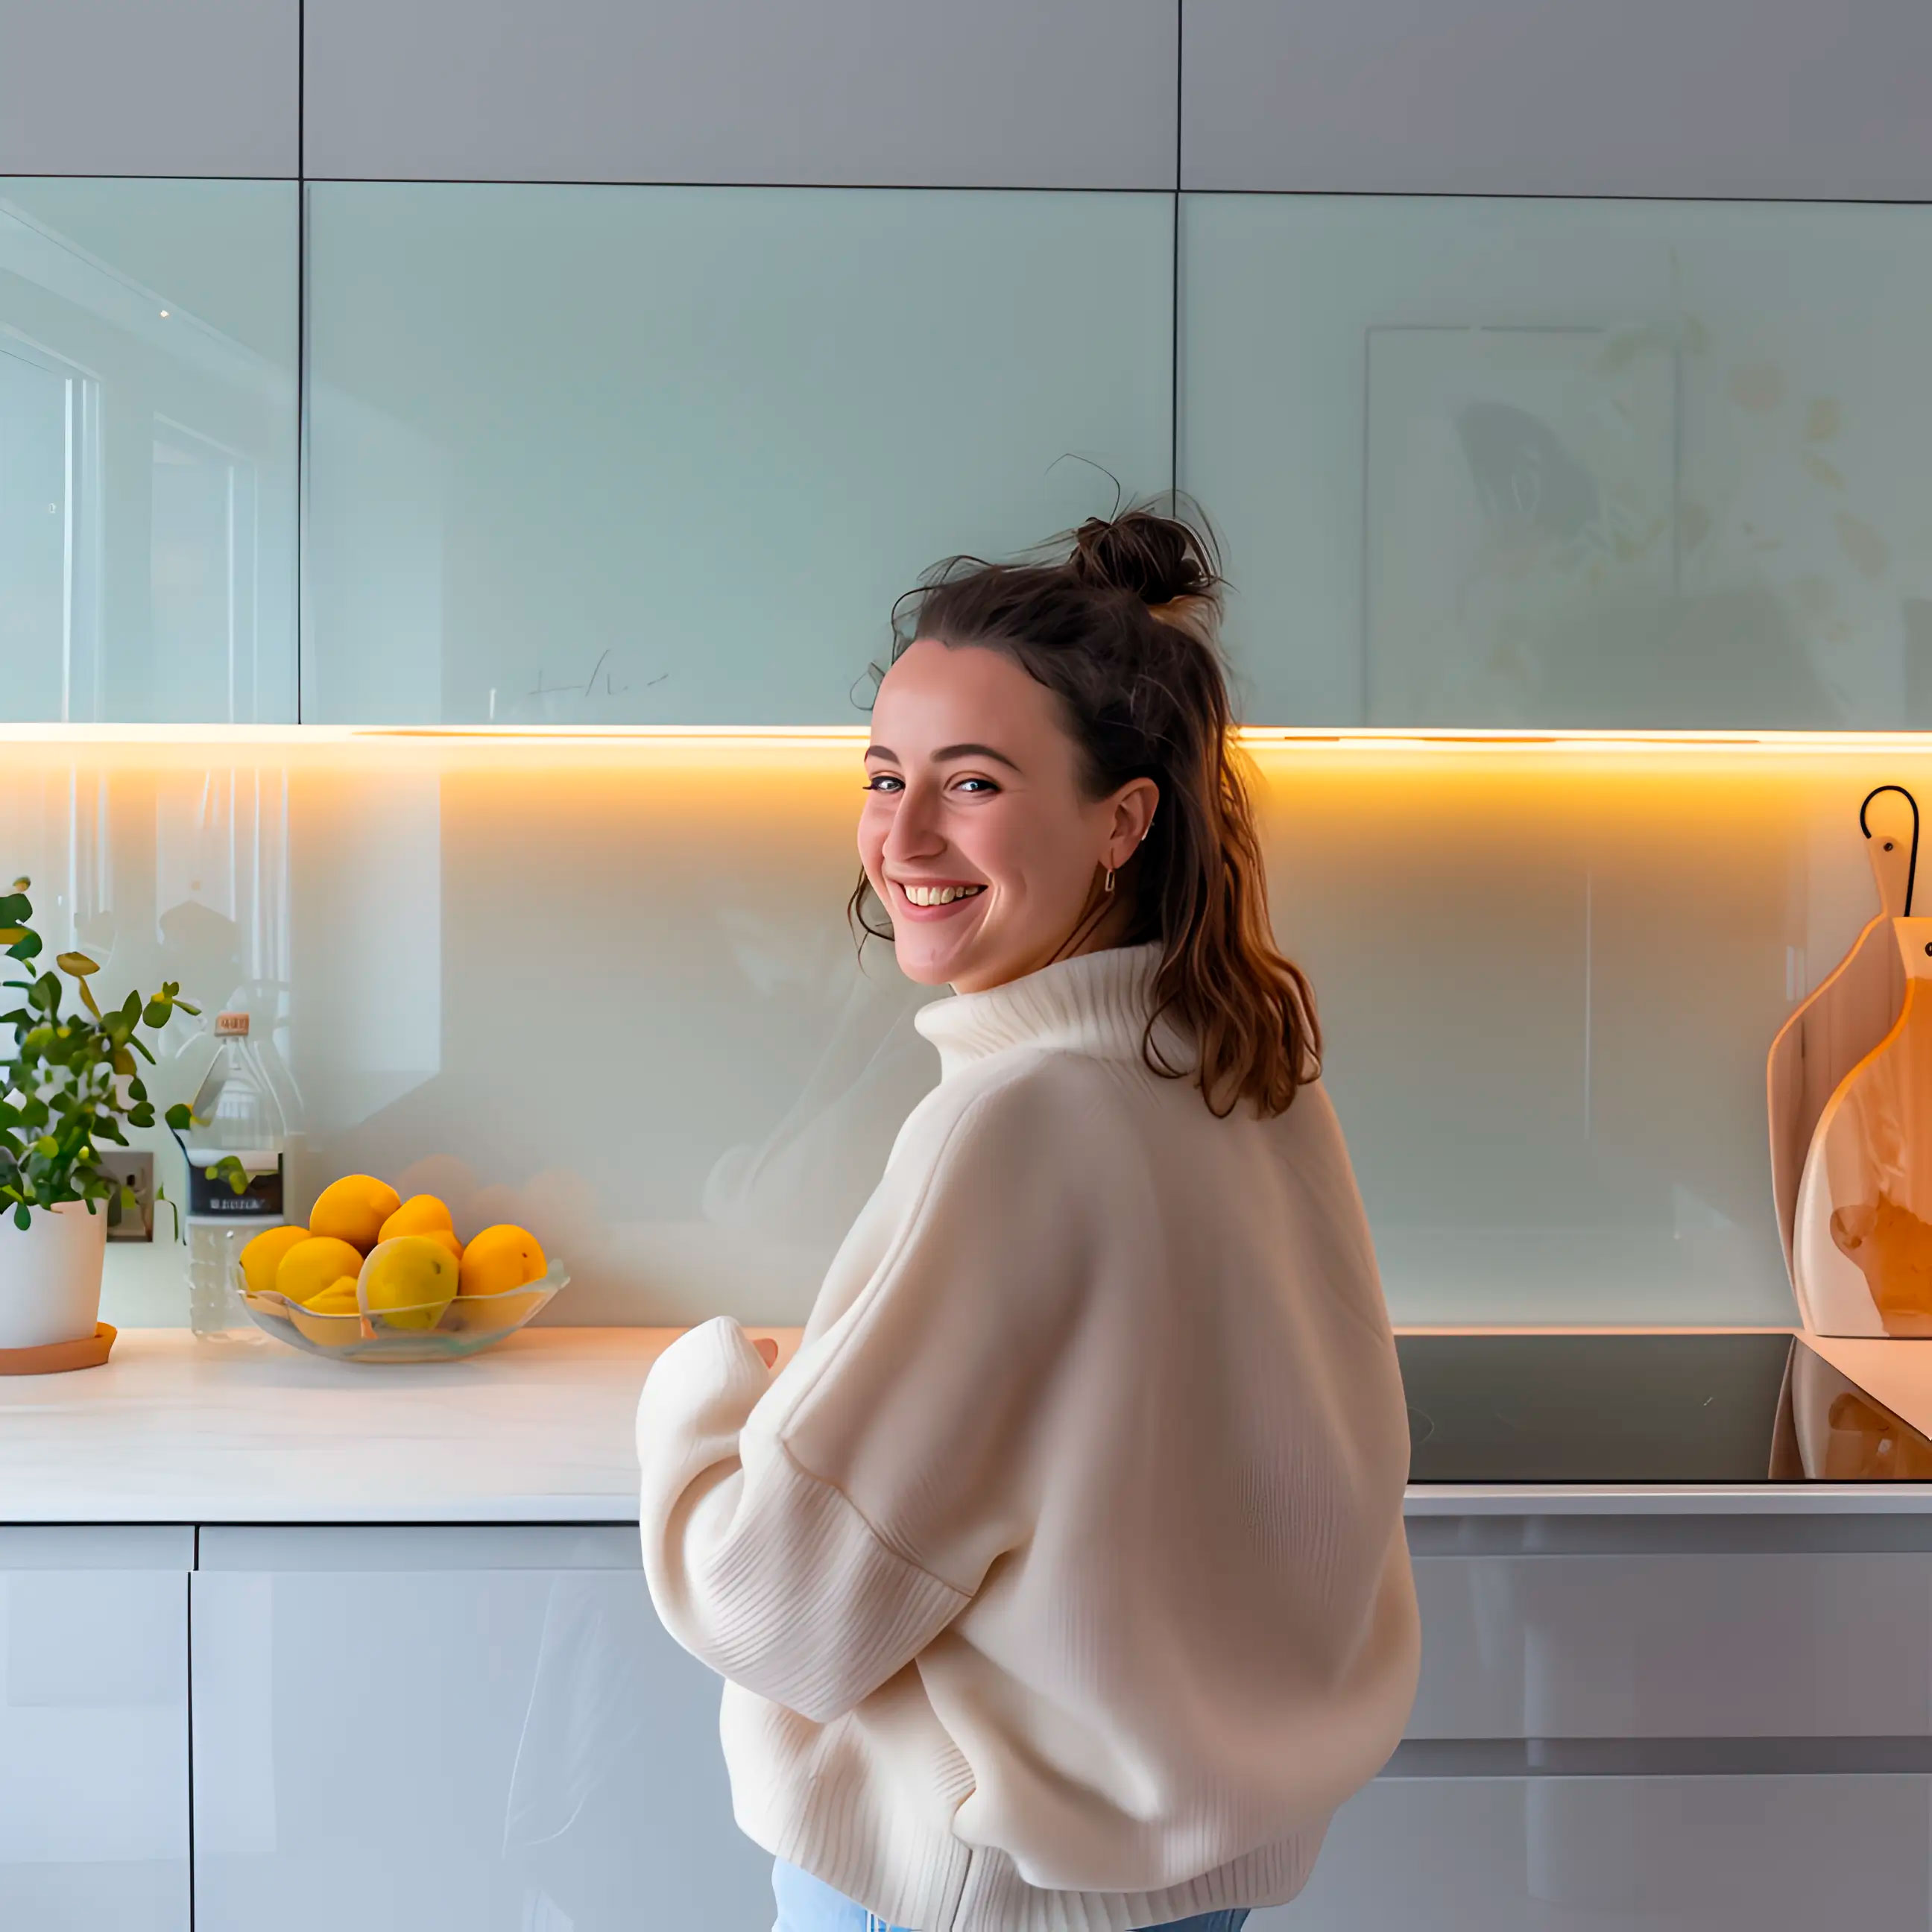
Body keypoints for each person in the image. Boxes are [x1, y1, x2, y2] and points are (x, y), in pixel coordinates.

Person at [637, 505, 1419, 1932]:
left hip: (964, 1892)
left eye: (974, 783)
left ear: (1124, 817)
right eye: (886, 776)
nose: (904, 836)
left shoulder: (1017, 1127)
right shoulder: (1247, 1068)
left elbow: (786, 1612)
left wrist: (699, 1401)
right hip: (1194, 1888)